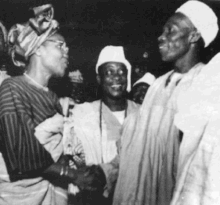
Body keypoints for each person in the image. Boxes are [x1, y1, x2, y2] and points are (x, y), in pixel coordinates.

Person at [103, 1, 218, 205]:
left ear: (193, 36)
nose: (161, 37)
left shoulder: (206, 85)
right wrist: (105, 172)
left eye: (170, 31)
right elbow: (135, 148)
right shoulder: (156, 85)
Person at [0, 4, 105, 205]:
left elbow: (63, 150)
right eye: (60, 45)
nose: (67, 51)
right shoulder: (12, 88)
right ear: (38, 48)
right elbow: (22, 151)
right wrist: (73, 175)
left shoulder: (54, 98)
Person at [66, 45, 139, 204]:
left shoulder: (141, 114)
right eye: (109, 72)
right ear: (99, 79)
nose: (117, 77)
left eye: (121, 72)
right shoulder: (82, 113)